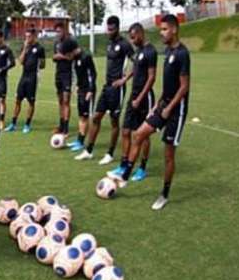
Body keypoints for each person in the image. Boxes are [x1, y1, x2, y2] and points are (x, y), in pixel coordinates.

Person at [109, 14, 190, 211]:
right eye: (160, 29)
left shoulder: (182, 53)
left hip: (176, 111)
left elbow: (184, 86)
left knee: (168, 155)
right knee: (138, 134)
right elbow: (169, 85)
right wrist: (158, 105)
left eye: (164, 29)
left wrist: (169, 108)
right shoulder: (168, 51)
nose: (161, 33)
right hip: (163, 105)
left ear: (174, 30)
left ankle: (164, 194)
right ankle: (126, 175)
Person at [75, 16, 133, 164]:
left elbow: (137, 62)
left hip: (117, 89)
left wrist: (125, 79)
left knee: (114, 121)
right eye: (108, 29)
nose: (109, 31)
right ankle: (88, 150)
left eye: (111, 29)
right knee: (96, 118)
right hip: (106, 87)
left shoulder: (125, 45)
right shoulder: (109, 44)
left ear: (118, 28)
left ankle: (110, 153)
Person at [109, 23, 157, 181]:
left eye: (134, 37)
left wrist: (140, 98)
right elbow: (136, 68)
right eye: (130, 38)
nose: (132, 40)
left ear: (141, 34)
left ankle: (142, 168)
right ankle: (123, 164)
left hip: (144, 98)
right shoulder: (139, 51)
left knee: (143, 135)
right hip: (133, 96)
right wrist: (125, 79)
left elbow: (152, 77)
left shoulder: (150, 51)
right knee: (125, 131)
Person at [5, 29, 45, 133]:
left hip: (33, 78)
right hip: (23, 77)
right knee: (17, 100)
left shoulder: (40, 48)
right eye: (26, 37)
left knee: (31, 102)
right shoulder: (25, 47)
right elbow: (21, 62)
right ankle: (13, 124)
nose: (27, 39)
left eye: (29, 37)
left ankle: (27, 125)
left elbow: (43, 65)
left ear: (34, 36)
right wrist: (25, 49)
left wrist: (40, 63)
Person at [52, 22, 79, 139]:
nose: (58, 33)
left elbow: (77, 52)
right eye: (56, 31)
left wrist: (64, 56)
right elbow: (54, 57)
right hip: (58, 74)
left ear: (64, 30)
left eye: (60, 31)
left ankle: (66, 129)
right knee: (60, 101)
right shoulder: (56, 43)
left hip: (68, 74)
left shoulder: (71, 41)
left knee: (66, 101)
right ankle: (61, 125)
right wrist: (63, 56)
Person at [67, 48, 97, 152]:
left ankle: (83, 141)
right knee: (81, 116)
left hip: (88, 90)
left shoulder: (86, 57)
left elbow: (92, 74)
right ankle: (79, 140)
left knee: (86, 116)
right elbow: (78, 75)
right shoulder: (75, 59)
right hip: (81, 90)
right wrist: (77, 86)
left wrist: (91, 90)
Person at [0, 30, 15, 130]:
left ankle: (1, 120)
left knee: (2, 99)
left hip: (1, 78)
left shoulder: (7, 49)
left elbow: (13, 63)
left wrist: (3, 69)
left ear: (2, 38)